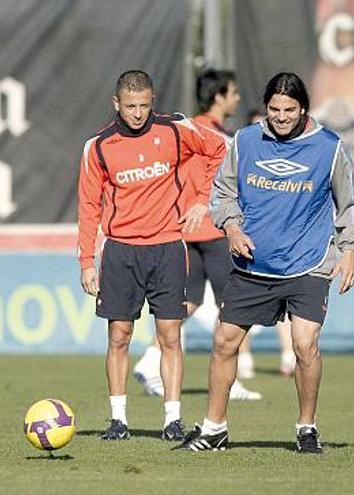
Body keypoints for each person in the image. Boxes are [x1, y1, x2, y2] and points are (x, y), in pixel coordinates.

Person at [180, 72, 354, 453]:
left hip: (308, 261)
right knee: (224, 341)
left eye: (289, 110)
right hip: (253, 263)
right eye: (274, 109)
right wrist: (232, 228)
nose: (281, 117)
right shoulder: (246, 141)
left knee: (304, 345)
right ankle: (215, 428)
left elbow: (351, 205)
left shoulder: (329, 147)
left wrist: (350, 250)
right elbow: (223, 192)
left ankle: (306, 428)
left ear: (303, 110)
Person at [78, 70, 226, 441]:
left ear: (153, 101)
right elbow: (88, 206)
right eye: (130, 106)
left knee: (170, 335)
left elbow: (219, 150)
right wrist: (85, 261)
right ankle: (118, 420)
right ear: (116, 104)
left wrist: (201, 200)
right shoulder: (98, 146)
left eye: (144, 105)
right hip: (120, 252)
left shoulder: (175, 129)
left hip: (167, 248)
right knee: (119, 335)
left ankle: (172, 420)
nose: (138, 113)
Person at [131, 69, 260, 401]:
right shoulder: (203, 132)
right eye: (232, 92)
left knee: (188, 302)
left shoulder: (203, 130)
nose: (237, 98)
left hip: (189, 231)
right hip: (213, 230)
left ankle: (148, 362)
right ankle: (229, 381)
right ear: (218, 97)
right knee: (232, 305)